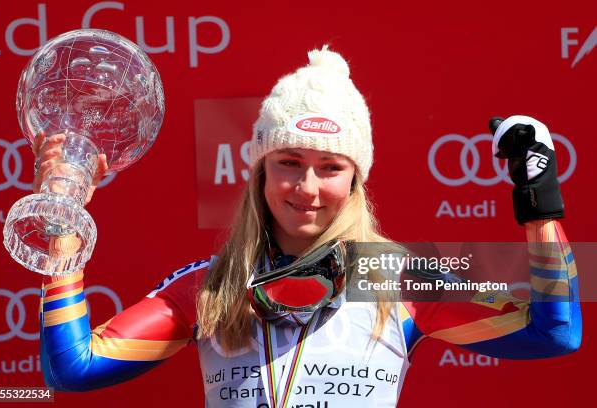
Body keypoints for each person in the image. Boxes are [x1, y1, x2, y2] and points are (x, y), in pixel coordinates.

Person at [35, 46, 581, 407]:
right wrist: (63, 212)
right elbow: (72, 370)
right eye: (289, 163)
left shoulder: (395, 279)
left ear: (356, 179)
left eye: (331, 167)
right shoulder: (213, 286)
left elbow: (554, 333)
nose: (308, 187)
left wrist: (539, 203)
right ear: (260, 173)